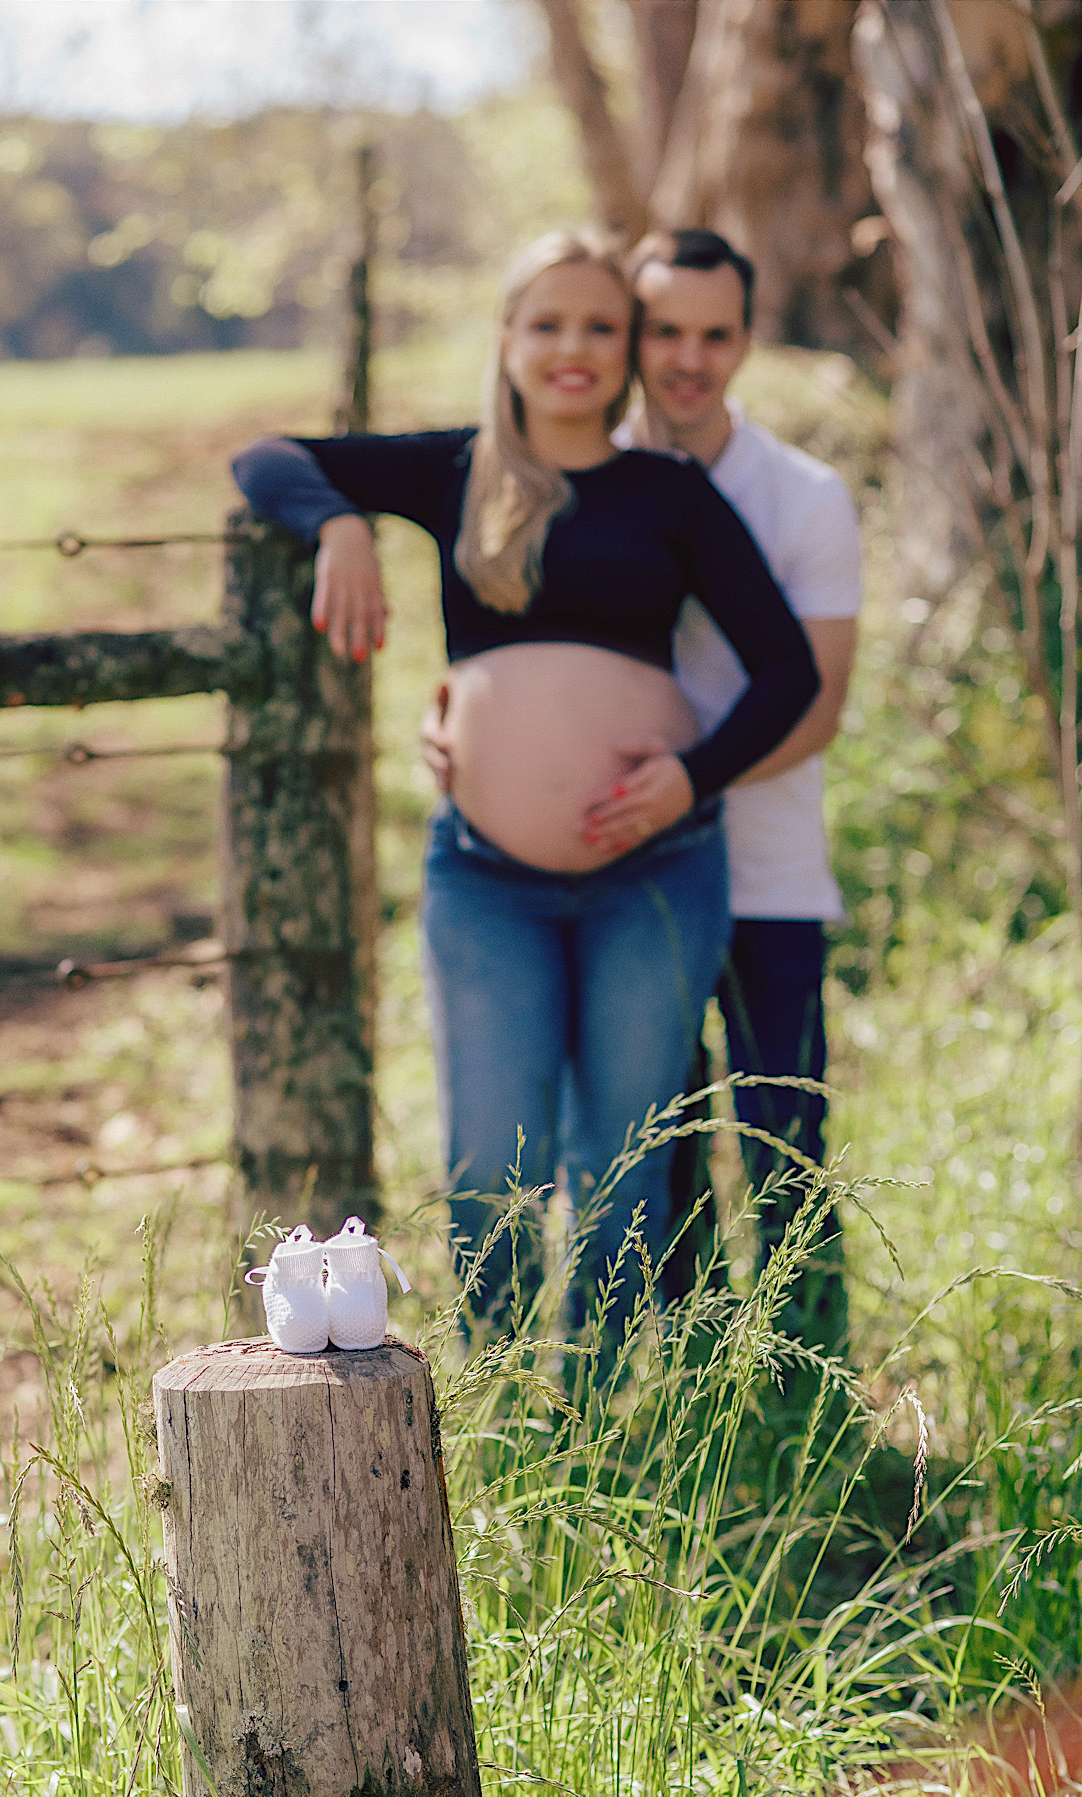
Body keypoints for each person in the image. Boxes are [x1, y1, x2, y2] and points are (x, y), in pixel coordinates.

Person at [230, 230, 819, 1332]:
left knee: (623, 1161)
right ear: (506, 339)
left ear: (628, 348)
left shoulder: (669, 493)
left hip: (656, 870)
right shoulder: (457, 472)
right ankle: (505, 1419)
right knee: (490, 1159)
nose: (573, 348)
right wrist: (340, 523)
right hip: (486, 879)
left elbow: (788, 669)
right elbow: (265, 457)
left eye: (601, 326)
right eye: (547, 323)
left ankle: (592, 1420)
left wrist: (691, 779)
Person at [618, 228, 860, 1345]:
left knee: (782, 1138)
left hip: (768, 868)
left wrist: (689, 788)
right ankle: (692, 1379)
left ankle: (807, 1380)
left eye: (715, 335)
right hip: (628, 867)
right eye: (665, 330)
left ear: (748, 342)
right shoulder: (586, 479)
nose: (687, 358)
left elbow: (818, 705)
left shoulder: (805, 495)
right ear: (633, 333)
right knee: (656, 1145)